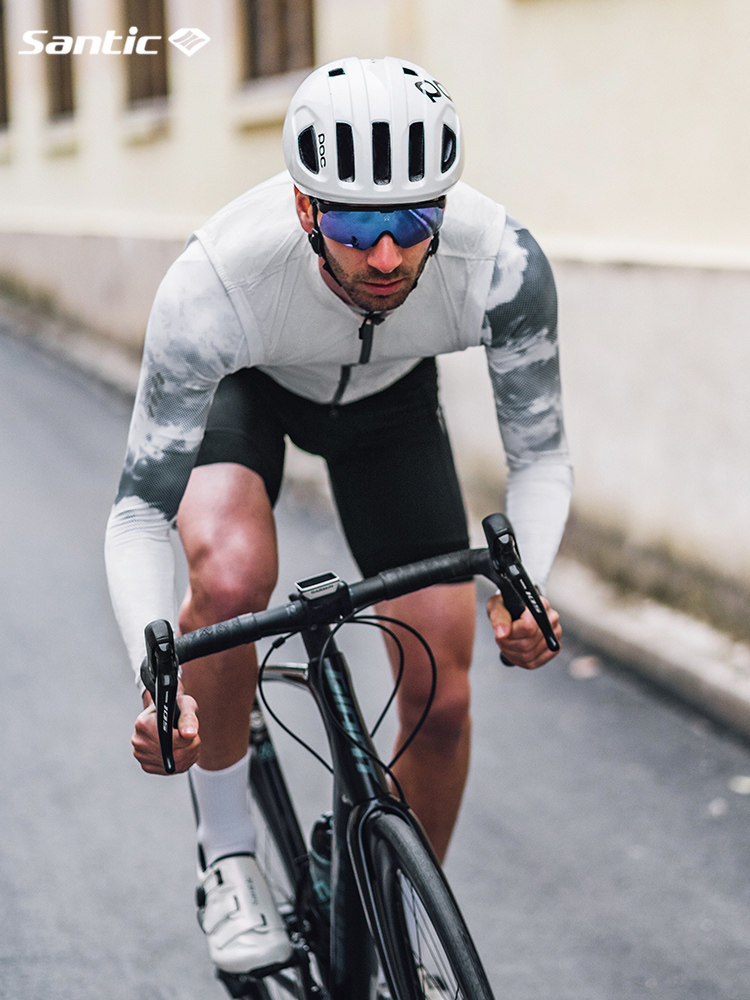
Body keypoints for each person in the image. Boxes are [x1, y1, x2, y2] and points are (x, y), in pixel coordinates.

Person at [105, 56, 573, 976]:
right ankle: (229, 859)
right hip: (252, 386)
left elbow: (542, 460)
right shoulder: (217, 282)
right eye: (358, 226)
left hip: (390, 407)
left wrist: (529, 590)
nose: (387, 256)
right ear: (305, 207)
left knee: (444, 690)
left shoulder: (502, 264)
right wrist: (157, 686)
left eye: (414, 222)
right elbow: (138, 515)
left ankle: (400, 930)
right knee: (233, 576)